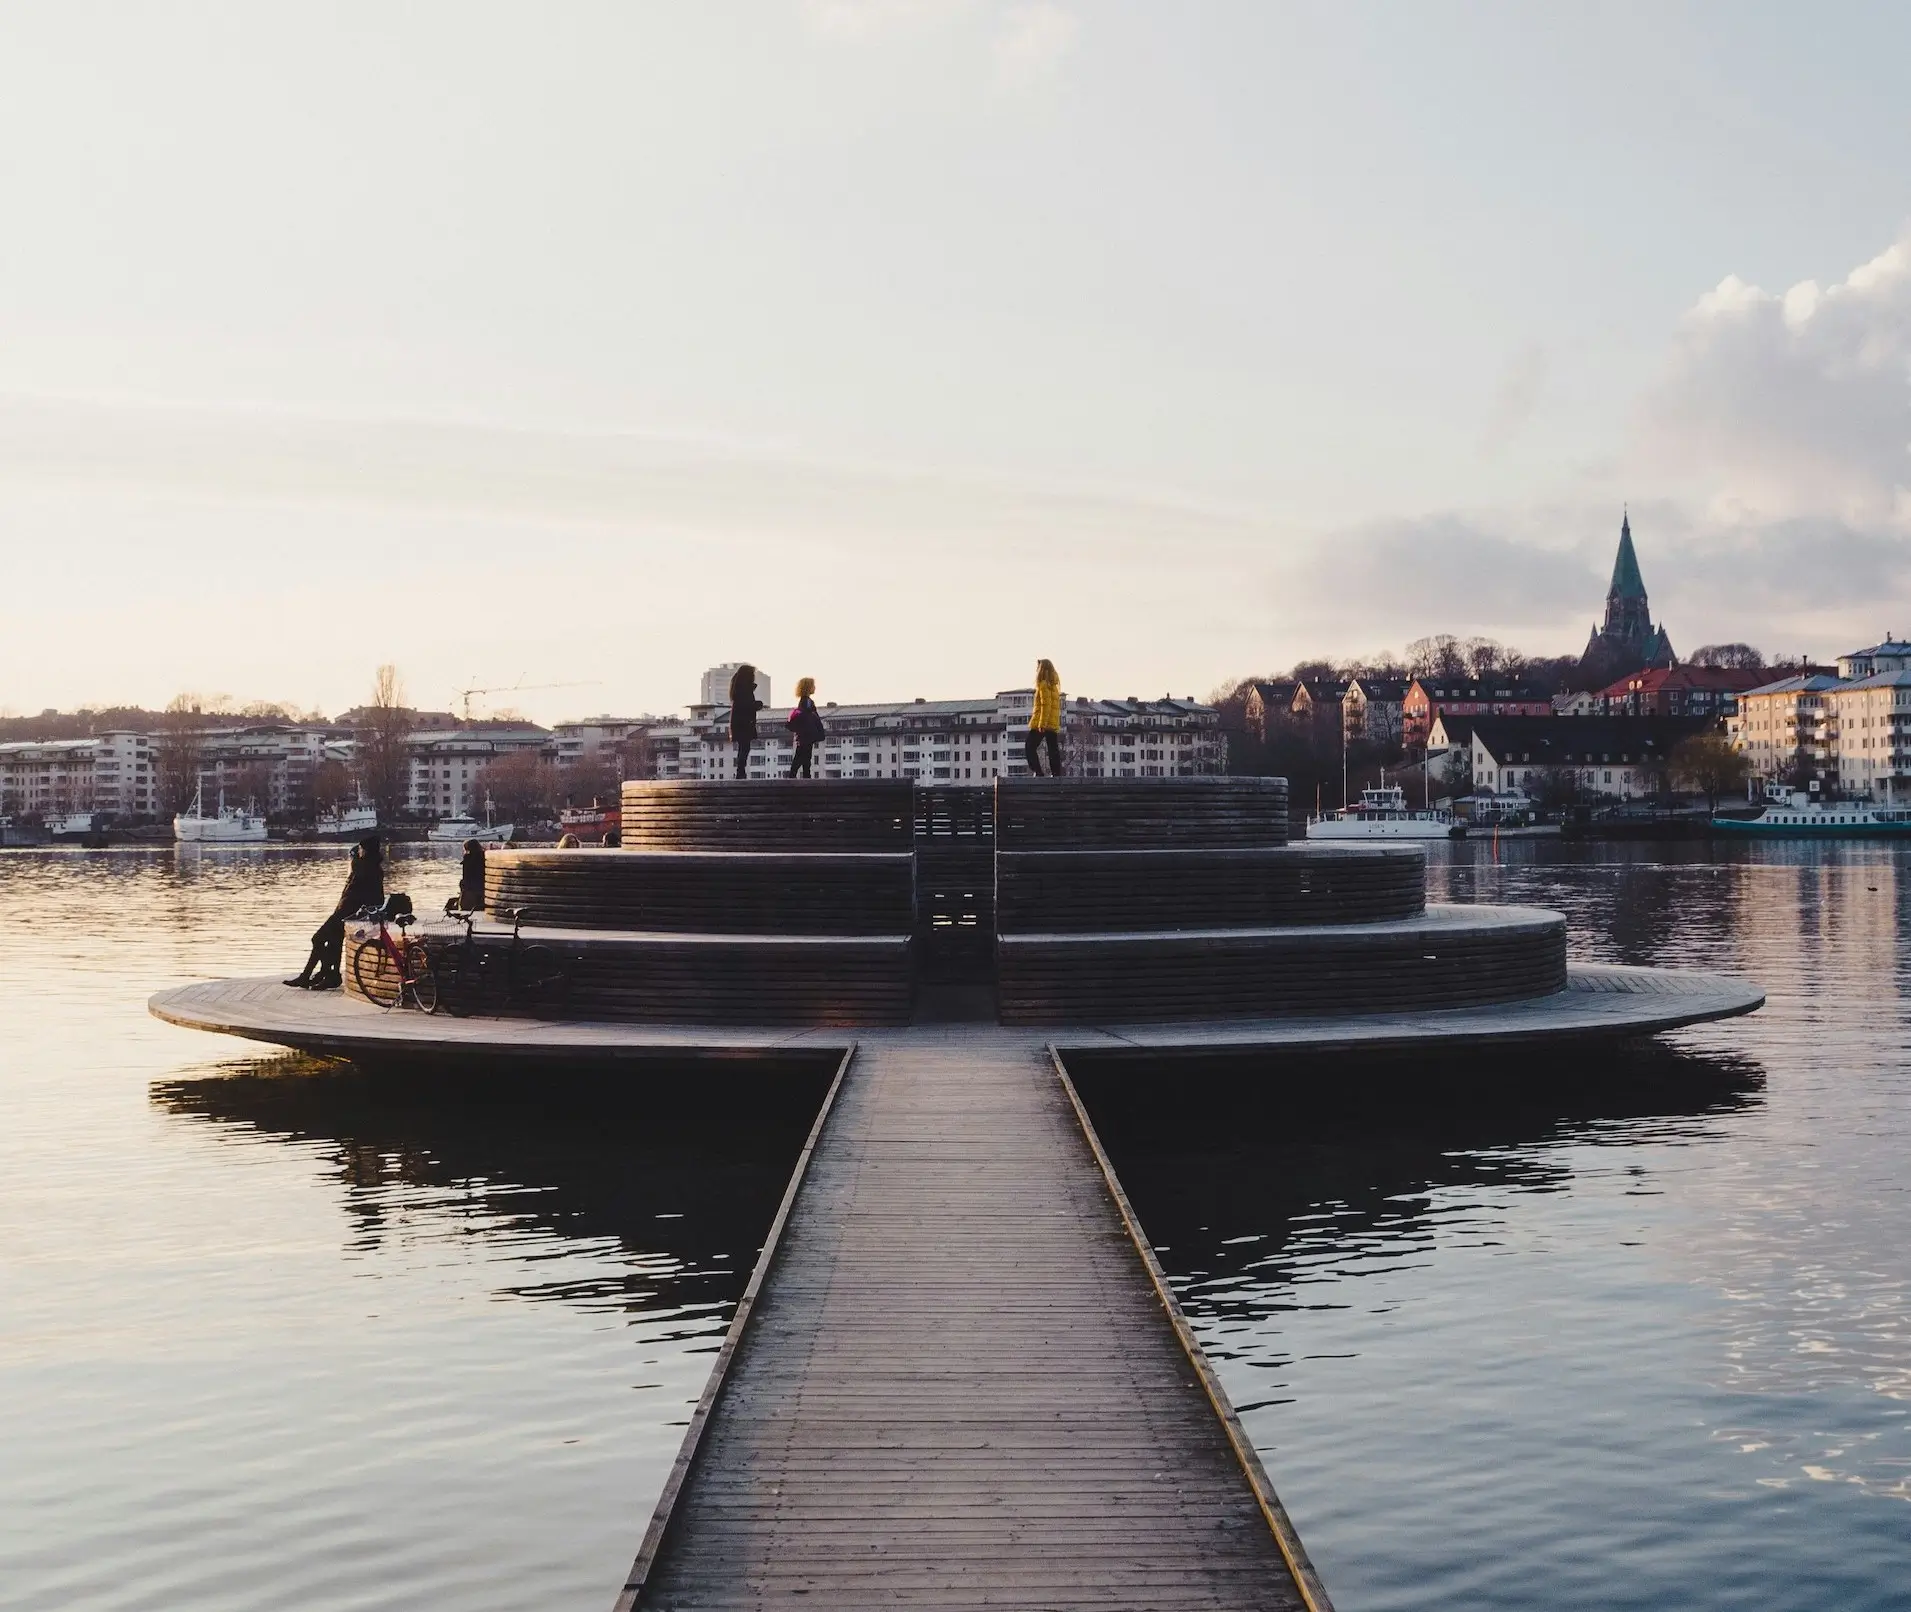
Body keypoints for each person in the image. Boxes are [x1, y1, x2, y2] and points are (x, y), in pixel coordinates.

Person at [285, 834, 384, 990]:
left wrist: (354, 860)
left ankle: (323, 974)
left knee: (317, 938)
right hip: (345, 911)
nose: (359, 852)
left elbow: (359, 890)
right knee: (333, 942)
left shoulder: (366, 867)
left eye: (361, 849)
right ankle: (325, 974)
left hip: (350, 913)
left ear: (367, 851)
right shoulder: (368, 867)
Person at [1025, 658, 1063, 776]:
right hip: (1052, 723)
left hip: (1042, 722)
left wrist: (1041, 724)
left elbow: (1045, 706)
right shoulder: (1054, 688)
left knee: (1029, 747)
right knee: (1053, 750)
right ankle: (1056, 774)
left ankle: (1038, 771)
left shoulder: (1043, 685)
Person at [787, 676, 826, 778]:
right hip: (807, 734)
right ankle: (802, 775)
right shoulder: (808, 702)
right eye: (813, 685)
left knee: (801, 755)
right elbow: (810, 717)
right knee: (804, 755)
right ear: (809, 687)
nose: (815, 688)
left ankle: (800, 774)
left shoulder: (803, 701)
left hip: (803, 733)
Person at [728, 663, 762, 779]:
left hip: (741, 724)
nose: (754, 676)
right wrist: (757, 705)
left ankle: (740, 772)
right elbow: (746, 706)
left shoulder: (739, 689)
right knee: (744, 748)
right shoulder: (744, 690)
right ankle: (740, 772)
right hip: (744, 724)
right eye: (752, 674)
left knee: (743, 748)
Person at [458, 839, 486, 912]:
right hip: (483, 887)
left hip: (471, 890)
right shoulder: (484, 856)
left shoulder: (468, 858)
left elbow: (466, 876)